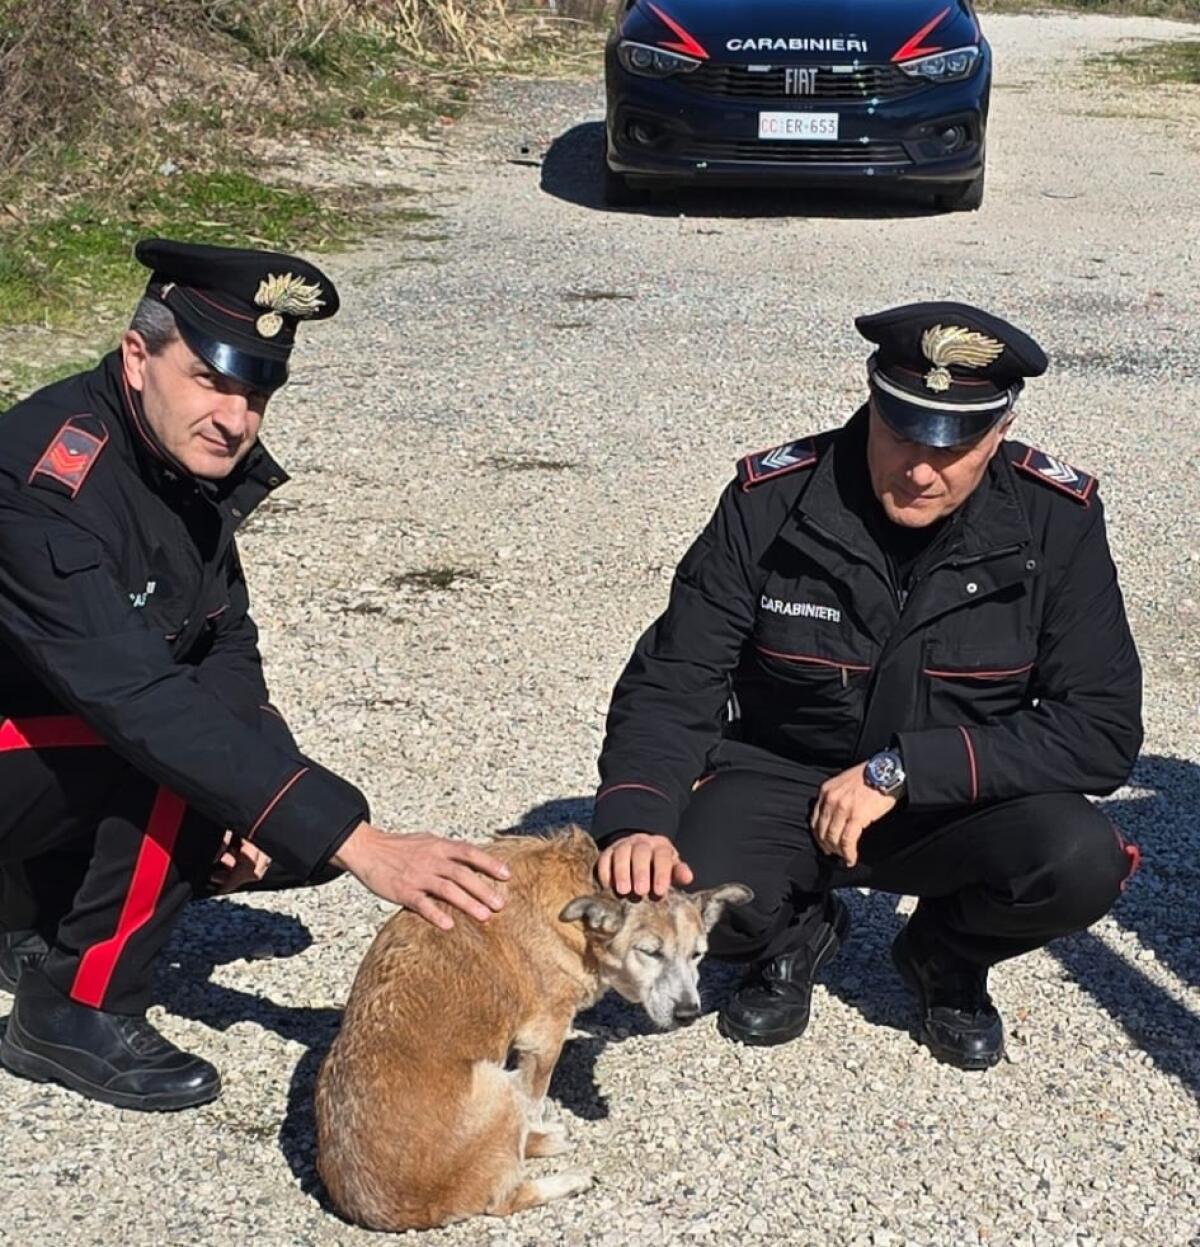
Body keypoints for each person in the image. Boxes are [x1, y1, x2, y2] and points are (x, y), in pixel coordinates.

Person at [0, 239, 510, 1111]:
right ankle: (74, 1006)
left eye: (256, 392)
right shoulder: (45, 481)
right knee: (180, 755)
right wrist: (357, 841)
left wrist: (266, 806)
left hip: (37, 746)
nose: (234, 418)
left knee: (262, 812)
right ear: (137, 355)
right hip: (41, 740)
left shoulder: (169, 456)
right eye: (210, 379)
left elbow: (222, 642)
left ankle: (28, 918)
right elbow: (144, 700)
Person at [589, 301, 1143, 1070]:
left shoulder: (1058, 522)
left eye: (955, 444)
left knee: (1081, 860)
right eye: (902, 431)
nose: (920, 467)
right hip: (782, 780)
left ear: (1002, 428)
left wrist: (907, 767)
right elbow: (675, 677)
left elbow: (1103, 728)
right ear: (870, 400)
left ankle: (944, 953)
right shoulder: (771, 500)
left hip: (950, 797)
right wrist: (638, 819)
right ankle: (794, 933)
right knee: (686, 882)